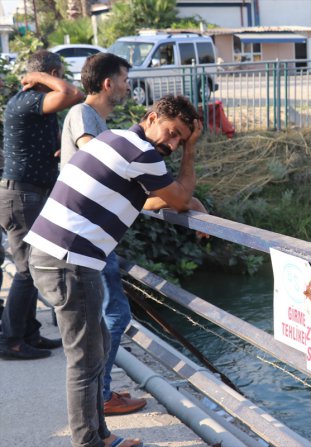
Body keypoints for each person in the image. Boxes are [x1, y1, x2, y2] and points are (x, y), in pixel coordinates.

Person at [25, 94, 205, 447]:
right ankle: (88, 441)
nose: (172, 143)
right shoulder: (141, 152)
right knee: (85, 361)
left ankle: (99, 435)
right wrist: (191, 152)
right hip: (70, 260)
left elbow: (148, 200)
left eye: (180, 140)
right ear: (152, 118)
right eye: (172, 133)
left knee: (99, 345)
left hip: (56, 256)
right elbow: (180, 198)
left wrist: (183, 197)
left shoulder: (114, 139)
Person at [61, 51, 148, 417]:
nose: (128, 86)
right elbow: (95, 158)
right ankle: (103, 395)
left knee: (109, 313)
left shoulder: (98, 122)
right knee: (114, 313)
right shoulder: (83, 113)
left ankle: (103, 391)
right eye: (125, 80)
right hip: (86, 230)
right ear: (108, 83)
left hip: (93, 231)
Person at [0, 50, 84, 359]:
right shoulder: (29, 100)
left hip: (27, 194)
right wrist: (38, 77)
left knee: (32, 267)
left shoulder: (33, 105)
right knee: (26, 271)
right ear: (49, 74)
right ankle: (10, 341)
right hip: (21, 196)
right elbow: (72, 94)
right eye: (58, 74)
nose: (61, 80)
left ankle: (29, 333)